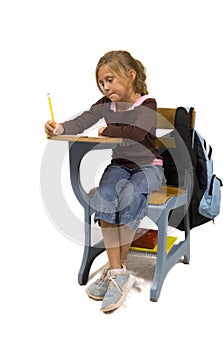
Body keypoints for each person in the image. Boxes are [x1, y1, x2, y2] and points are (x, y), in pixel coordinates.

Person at [44, 50, 166, 313]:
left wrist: (109, 130)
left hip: (149, 167)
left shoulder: (147, 104)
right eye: (101, 83)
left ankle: (115, 271)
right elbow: (84, 120)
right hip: (120, 165)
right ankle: (117, 272)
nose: (105, 87)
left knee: (131, 195)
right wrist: (60, 128)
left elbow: (137, 133)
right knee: (105, 194)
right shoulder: (105, 104)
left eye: (110, 79)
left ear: (130, 75)